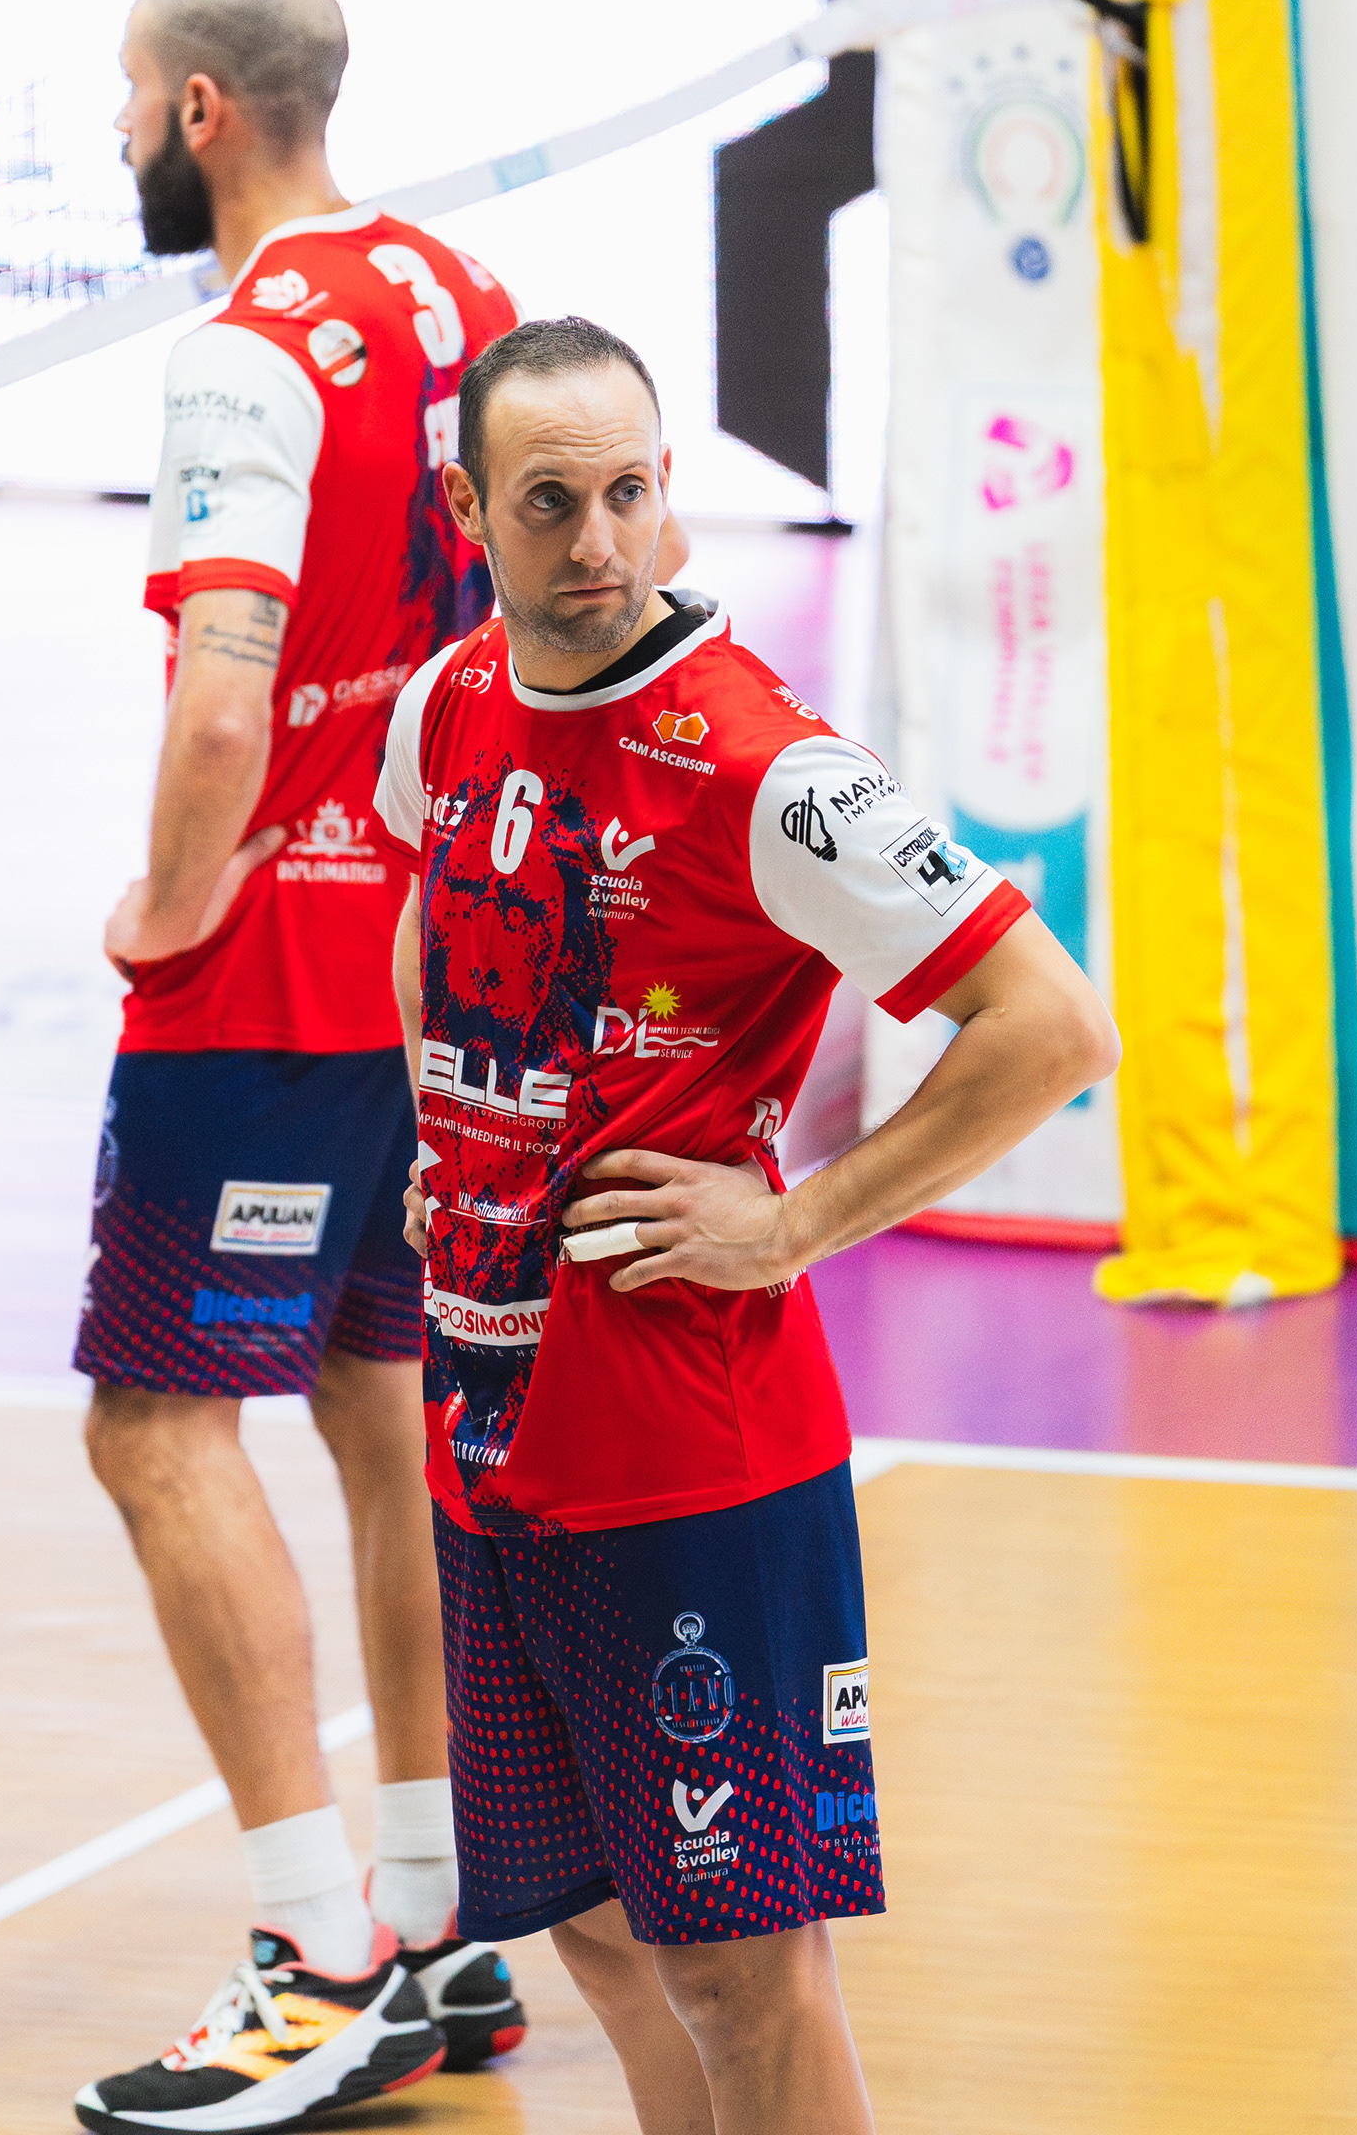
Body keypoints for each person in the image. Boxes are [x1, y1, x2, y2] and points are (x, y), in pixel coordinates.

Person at [370, 317, 1118, 2135]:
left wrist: (795, 1229)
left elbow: (1052, 1027)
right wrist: (445, 1130)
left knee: (741, 1973)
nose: (601, 540)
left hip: (689, 1454)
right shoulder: (447, 702)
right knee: (603, 1939)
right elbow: (426, 909)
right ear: (468, 507)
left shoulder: (769, 769)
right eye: (552, 503)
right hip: (488, 1424)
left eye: (631, 492)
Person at [69, 0, 529, 2135]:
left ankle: (314, 1952)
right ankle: (438, 1919)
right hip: (437, 957)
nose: (119, 132)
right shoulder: (461, 291)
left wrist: (169, 905)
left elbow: (224, 695)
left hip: (271, 983)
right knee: (377, 1405)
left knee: (158, 1433)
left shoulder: (249, 350)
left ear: (202, 112)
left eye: (129, 95)